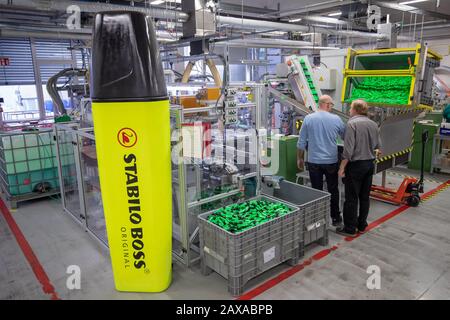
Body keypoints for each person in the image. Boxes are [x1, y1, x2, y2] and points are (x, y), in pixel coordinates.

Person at [297, 95, 346, 226]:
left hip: (314, 162)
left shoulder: (308, 118)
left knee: (316, 190)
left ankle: (316, 217)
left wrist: (300, 158)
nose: (332, 107)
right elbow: (346, 137)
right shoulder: (336, 119)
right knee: (333, 189)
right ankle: (335, 218)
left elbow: (301, 142)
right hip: (331, 161)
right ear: (328, 104)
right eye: (332, 105)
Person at [337, 99, 381, 237]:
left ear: (355, 109)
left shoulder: (351, 124)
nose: (349, 111)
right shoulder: (373, 124)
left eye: (350, 108)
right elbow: (378, 146)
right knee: (364, 196)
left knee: (351, 198)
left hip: (356, 165)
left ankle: (350, 228)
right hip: (369, 164)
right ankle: (362, 224)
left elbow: (348, 151)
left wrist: (342, 167)